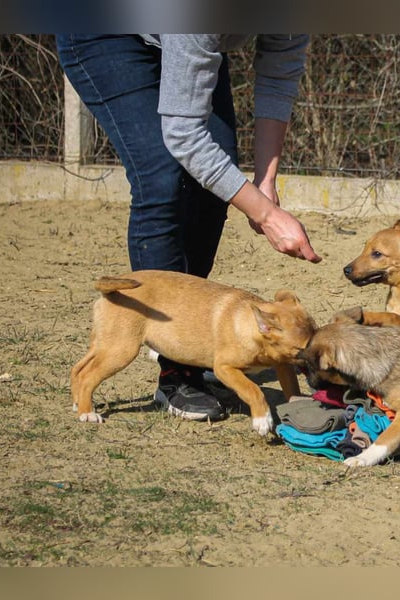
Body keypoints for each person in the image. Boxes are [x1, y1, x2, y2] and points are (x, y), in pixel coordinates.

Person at [56, 34, 321, 422]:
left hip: (186, 41)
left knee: (219, 183)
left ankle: (197, 342)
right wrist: (264, 214)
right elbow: (184, 137)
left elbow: (278, 78)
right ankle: (177, 370)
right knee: (162, 179)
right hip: (103, 30)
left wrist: (265, 184)